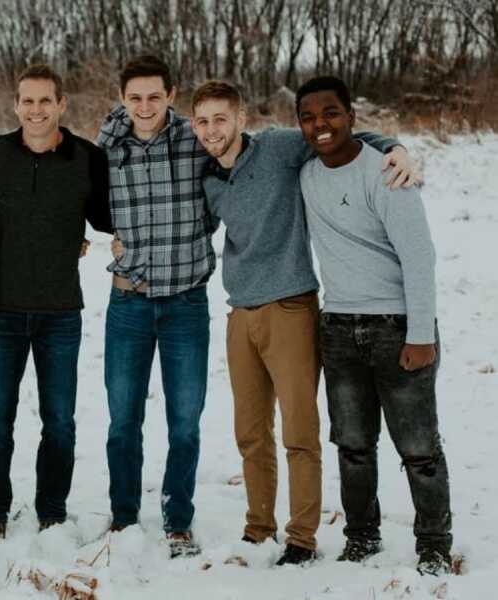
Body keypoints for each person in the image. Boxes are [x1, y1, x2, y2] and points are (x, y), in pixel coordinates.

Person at [192, 79, 416, 565]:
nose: (212, 130)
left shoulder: (275, 148)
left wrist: (396, 148)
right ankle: (258, 528)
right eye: (203, 121)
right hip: (239, 313)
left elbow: (338, 138)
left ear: (241, 119)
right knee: (250, 433)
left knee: (299, 430)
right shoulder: (206, 178)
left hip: (291, 308)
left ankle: (302, 537)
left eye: (221, 119)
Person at [296, 75, 452, 576]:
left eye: (331, 113)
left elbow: (419, 256)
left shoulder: (385, 173)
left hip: (396, 325)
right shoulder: (306, 177)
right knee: (353, 445)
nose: (320, 125)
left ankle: (433, 544)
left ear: (351, 117)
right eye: (308, 117)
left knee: (419, 448)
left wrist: (421, 335)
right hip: (338, 327)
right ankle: (361, 537)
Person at [0, 64, 113, 545]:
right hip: (1, 310)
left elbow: (110, 217)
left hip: (60, 313)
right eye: (27, 101)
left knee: (59, 421)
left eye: (44, 101)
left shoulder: (86, 158)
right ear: (16, 106)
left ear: (62, 105)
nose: (35, 110)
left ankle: (52, 511)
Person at [97, 55, 214, 558]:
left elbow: (266, 154)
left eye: (154, 96)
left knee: (184, 420)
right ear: (122, 98)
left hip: (187, 301)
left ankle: (178, 519)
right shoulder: (105, 148)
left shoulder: (197, 139)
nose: (144, 106)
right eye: (134, 97)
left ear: (172, 94)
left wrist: (391, 146)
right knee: (123, 419)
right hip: (129, 301)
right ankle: (124, 517)